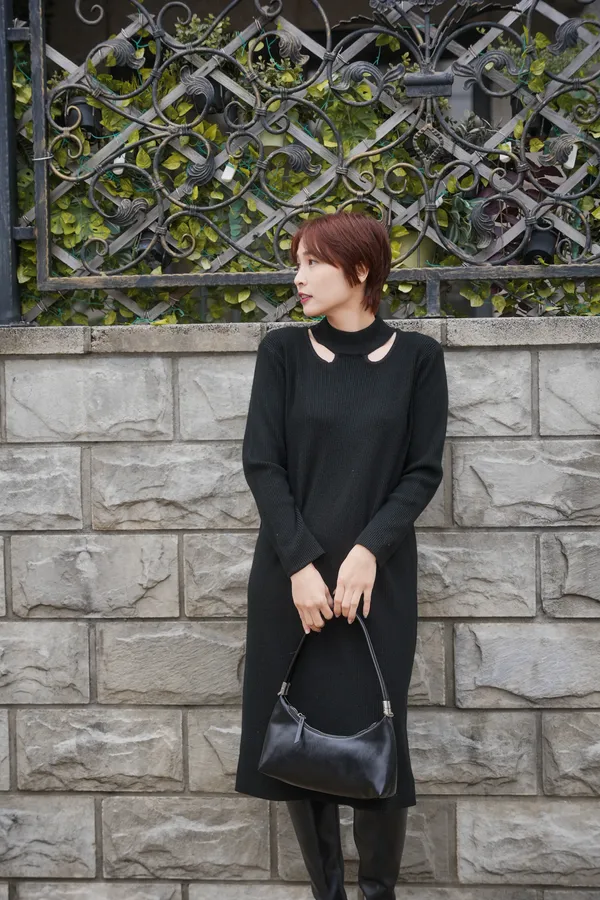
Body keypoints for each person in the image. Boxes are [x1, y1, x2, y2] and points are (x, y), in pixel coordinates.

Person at [234, 211, 449, 900]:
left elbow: (422, 471)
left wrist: (367, 551)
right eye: (296, 262)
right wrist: (300, 565)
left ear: (359, 270)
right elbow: (263, 465)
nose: (297, 277)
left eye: (312, 263)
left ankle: (377, 892)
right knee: (298, 742)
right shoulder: (282, 354)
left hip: (375, 585)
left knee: (377, 736)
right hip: (291, 582)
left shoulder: (419, 359)